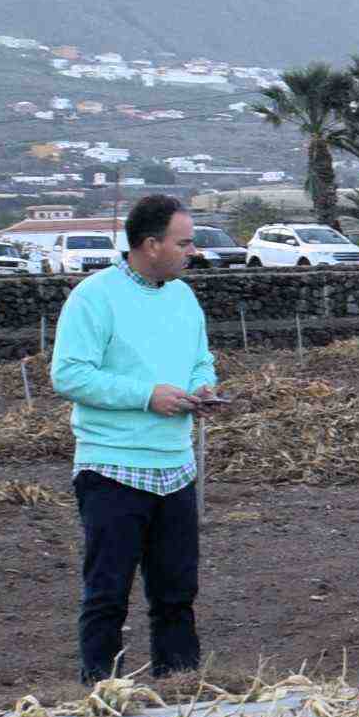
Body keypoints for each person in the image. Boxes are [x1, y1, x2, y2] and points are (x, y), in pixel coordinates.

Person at [49, 193, 220, 683]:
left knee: (176, 595)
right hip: (112, 469)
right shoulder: (93, 297)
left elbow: (198, 360)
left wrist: (201, 388)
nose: (193, 252)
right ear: (149, 245)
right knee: (107, 595)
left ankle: (183, 694)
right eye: (183, 243)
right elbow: (69, 375)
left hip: (175, 468)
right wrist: (147, 396)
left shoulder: (184, 297)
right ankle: (102, 697)